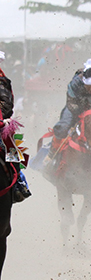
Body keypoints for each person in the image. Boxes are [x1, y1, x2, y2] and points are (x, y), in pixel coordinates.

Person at [0, 74, 31, 202]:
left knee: (9, 146)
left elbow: (5, 104)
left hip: (0, 121)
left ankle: (18, 182)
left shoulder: (1, 82)